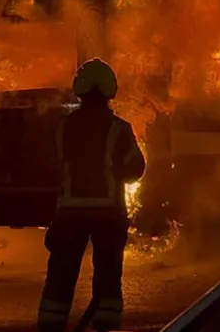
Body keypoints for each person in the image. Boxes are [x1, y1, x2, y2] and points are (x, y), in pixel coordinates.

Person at [37, 58, 146, 332]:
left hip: (69, 214)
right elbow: (136, 169)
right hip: (108, 214)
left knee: (61, 274)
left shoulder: (64, 127)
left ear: (80, 90)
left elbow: (53, 166)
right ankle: (105, 324)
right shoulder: (119, 128)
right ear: (110, 90)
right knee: (108, 276)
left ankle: (51, 324)